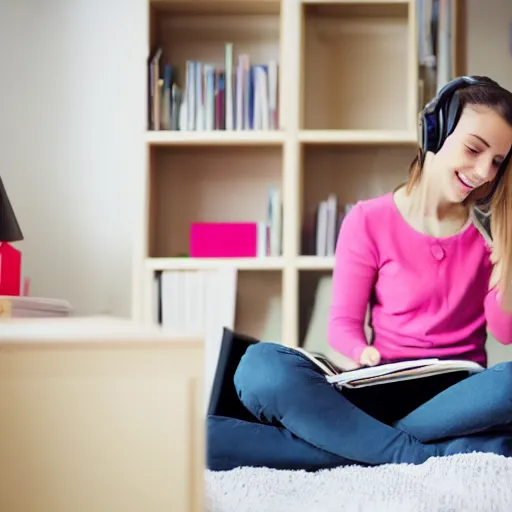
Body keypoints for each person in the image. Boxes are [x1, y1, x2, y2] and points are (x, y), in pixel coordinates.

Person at [207, 76, 512, 472]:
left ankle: (355, 444)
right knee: (259, 367)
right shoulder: (368, 220)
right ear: (434, 131)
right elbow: (343, 326)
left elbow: (504, 331)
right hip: (377, 380)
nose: (484, 172)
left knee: (211, 439)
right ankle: (419, 453)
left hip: (455, 397)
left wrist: (507, 252)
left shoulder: (490, 240)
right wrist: (358, 352)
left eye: (498, 162)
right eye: (474, 149)